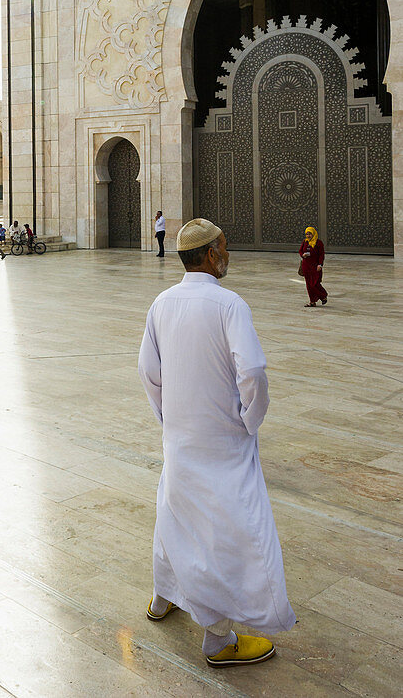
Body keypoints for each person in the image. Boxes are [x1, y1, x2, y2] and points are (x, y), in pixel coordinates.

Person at [138, 217, 295, 667]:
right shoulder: (229, 305)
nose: (228, 254)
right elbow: (254, 373)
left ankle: (163, 596)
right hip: (224, 441)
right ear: (210, 254)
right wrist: (250, 419)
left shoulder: (162, 303)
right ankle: (218, 639)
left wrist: (168, 417)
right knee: (224, 530)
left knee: (175, 509)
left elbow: (148, 371)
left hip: (181, 436)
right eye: (224, 247)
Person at [299, 225, 328, 307]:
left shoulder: (319, 243)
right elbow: (300, 251)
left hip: (315, 266)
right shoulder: (305, 242)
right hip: (306, 266)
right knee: (308, 285)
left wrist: (320, 264)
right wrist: (302, 255)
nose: (308, 236)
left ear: (313, 234)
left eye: (310, 234)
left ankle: (323, 295)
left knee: (315, 283)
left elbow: (321, 255)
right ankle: (312, 301)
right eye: (307, 234)